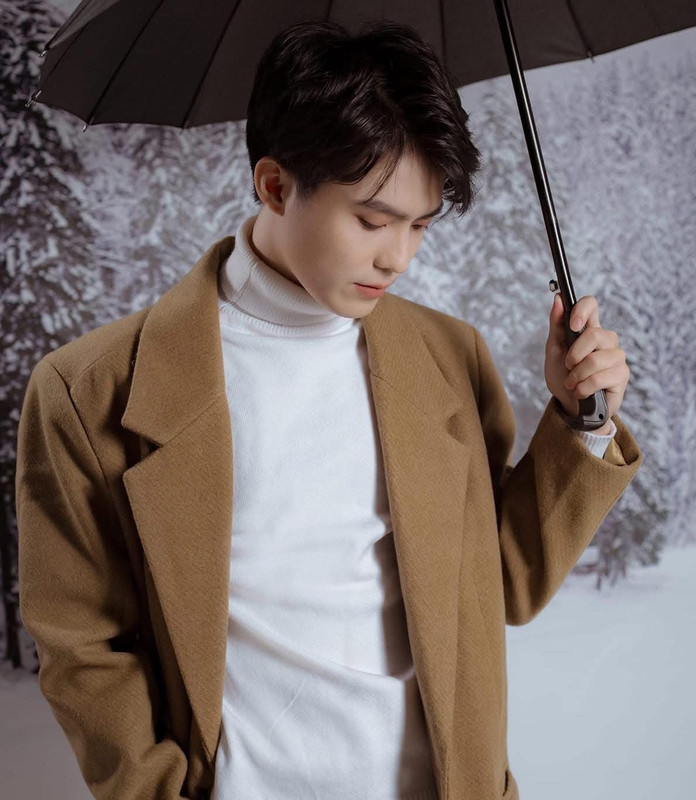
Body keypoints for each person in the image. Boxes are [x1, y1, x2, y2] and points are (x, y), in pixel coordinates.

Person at [15, 18, 642, 800]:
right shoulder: (88, 391)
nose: (396, 257)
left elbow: (503, 581)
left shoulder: (450, 358)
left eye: (420, 225)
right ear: (275, 185)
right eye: (372, 220)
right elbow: (84, 649)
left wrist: (581, 422)